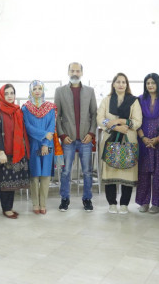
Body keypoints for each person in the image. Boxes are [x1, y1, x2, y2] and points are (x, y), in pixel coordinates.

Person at [54, 62, 97, 212]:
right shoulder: (59, 91)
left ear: (82, 73)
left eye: (78, 71)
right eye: (72, 70)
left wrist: (91, 134)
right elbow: (56, 116)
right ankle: (65, 199)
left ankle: (87, 199)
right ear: (68, 72)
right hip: (68, 140)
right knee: (66, 171)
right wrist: (62, 135)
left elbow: (94, 114)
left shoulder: (90, 91)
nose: (75, 73)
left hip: (85, 138)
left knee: (87, 171)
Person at [97, 73, 142, 214]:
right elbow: (100, 119)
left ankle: (124, 204)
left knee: (127, 172)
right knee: (110, 171)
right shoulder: (106, 100)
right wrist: (115, 127)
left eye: (124, 82)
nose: (121, 84)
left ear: (127, 85)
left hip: (128, 140)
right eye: (118, 82)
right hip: (110, 139)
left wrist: (121, 121)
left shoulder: (133, 101)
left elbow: (137, 121)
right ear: (114, 84)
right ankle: (111, 203)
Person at [0, 84, 30, 219]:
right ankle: (6, 209)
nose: (10, 96)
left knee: (12, 183)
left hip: (16, 152)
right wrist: (0, 152)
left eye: (12, 93)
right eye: (7, 93)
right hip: (4, 153)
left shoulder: (17, 111)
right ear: (1, 95)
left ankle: (9, 207)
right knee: (4, 182)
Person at [136, 73, 159, 214]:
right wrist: (144, 138)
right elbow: (136, 120)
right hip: (143, 141)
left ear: (158, 84)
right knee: (143, 173)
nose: (150, 85)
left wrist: (158, 138)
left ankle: (156, 203)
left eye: (153, 83)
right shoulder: (140, 100)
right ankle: (144, 202)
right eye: (148, 83)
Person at [22, 80, 56, 215]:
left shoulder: (51, 107)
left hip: (47, 145)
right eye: (34, 88)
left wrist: (46, 144)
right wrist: (43, 136)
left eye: (39, 88)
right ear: (30, 91)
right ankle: (35, 204)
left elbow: (52, 126)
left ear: (43, 90)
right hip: (33, 144)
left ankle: (44, 204)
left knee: (45, 175)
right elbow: (28, 127)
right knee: (34, 175)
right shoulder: (26, 107)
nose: (37, 91)